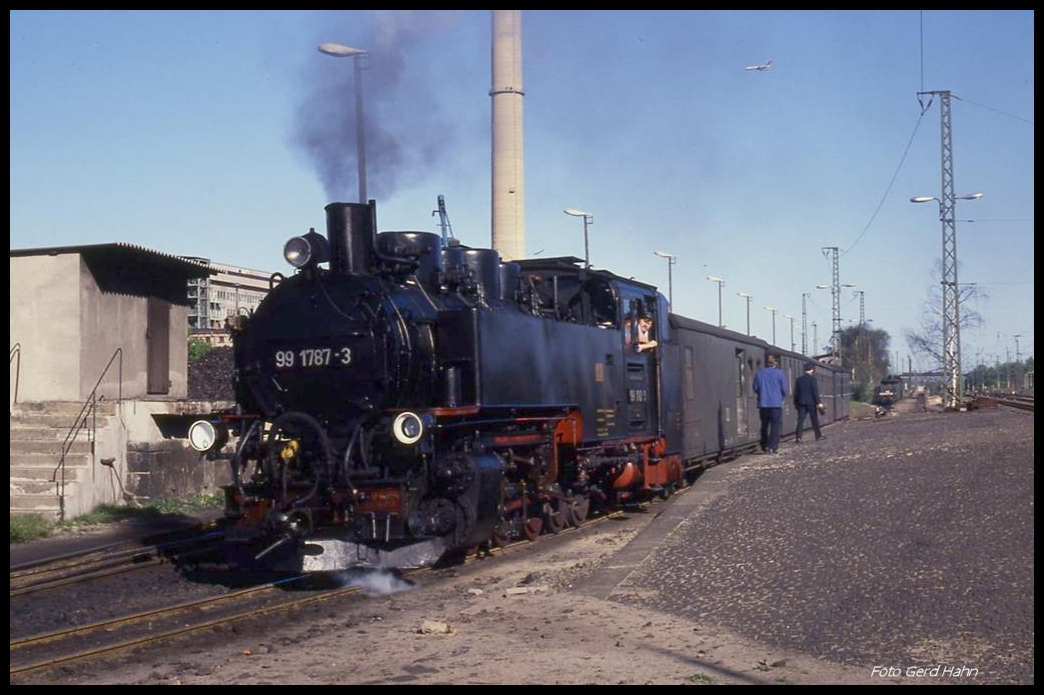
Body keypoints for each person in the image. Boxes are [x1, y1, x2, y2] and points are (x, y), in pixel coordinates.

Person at [753, 354, 787, 453]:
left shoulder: (759, 373)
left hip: (763, 403)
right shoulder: (780, 373)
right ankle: (773, 446)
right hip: (776, 403)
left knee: (764, 424)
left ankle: (765, 446)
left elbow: (755, 388)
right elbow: (784, 389)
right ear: (775, 363)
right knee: (775, 425)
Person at [794, 361, 825, 442]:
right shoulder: (813, 379)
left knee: (800, 421)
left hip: (801, 403)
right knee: (814, 420)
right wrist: (819, 403)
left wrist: (796, 403)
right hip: (811, 403)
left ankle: (798, 437)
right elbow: (815, 392)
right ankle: (818, 436)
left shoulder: (799, 380)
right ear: (812, 370)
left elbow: (796, 393)